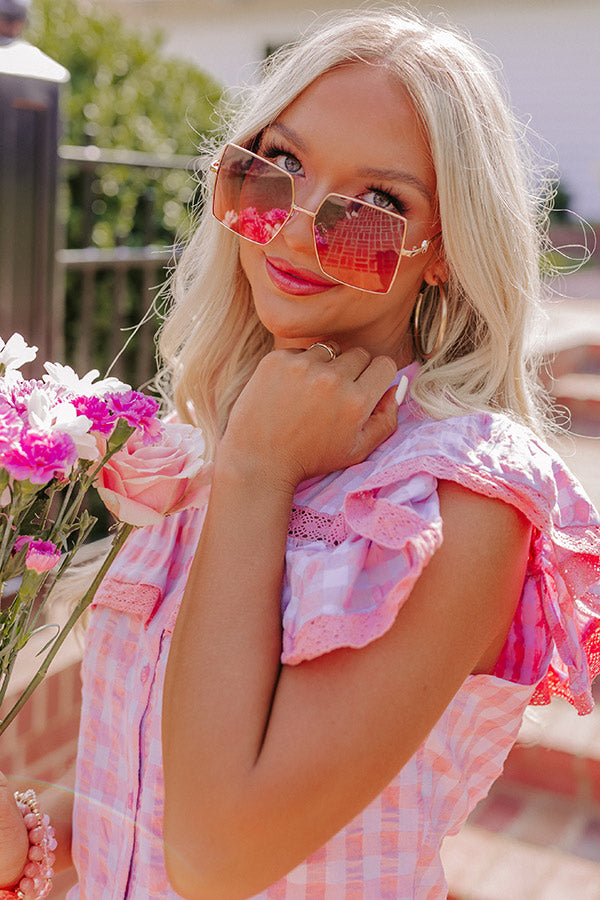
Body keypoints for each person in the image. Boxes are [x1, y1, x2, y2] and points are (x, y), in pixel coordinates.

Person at [2, 6, 600, 899]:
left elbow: (218, 856)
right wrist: (26, 836)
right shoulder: (211, 441)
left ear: (443, 251)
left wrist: (256, 472)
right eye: (277, 167)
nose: (293, 226)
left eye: (377, 206)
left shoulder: (463, 498)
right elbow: (154, 791)